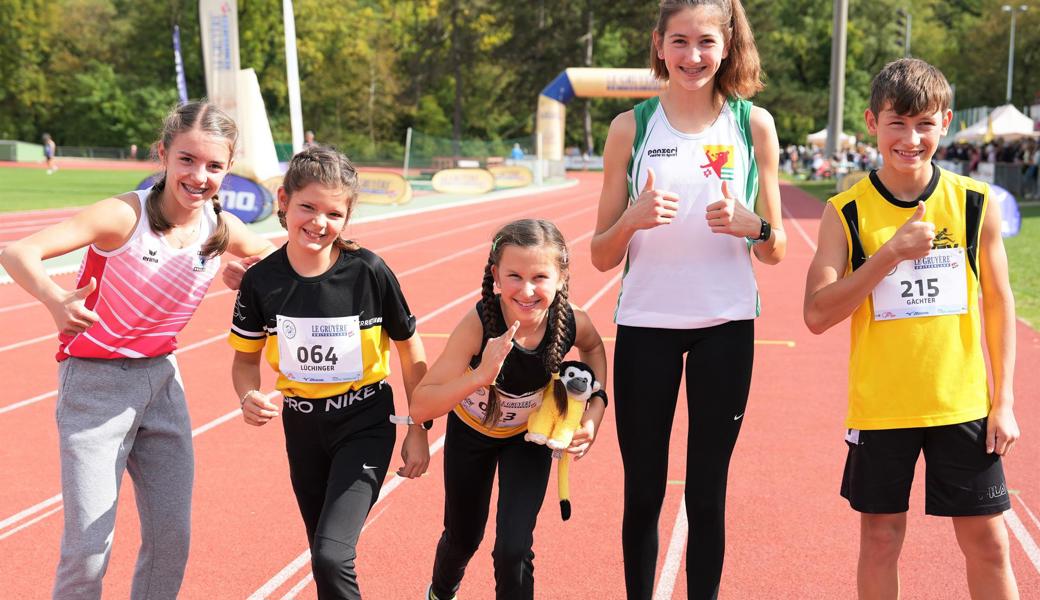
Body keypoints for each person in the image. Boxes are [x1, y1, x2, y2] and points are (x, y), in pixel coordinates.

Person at [0, 101, 275, 600]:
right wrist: (55, 299)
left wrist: (251, 271)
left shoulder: (219, 227)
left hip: (163, 384)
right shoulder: (123, 216)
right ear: (164, 154)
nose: (199, 175)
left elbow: (273, 259)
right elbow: (16, 252)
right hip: (95, 386)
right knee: (88, 550)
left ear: (228, 170)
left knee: (172, 538)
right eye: (187, 159)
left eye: (214, 166)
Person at [590, 1, 786, 598]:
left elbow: (775, 249)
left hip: (725, 328)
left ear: (726, 45)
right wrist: (632, 220)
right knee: (643, 490)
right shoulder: (631, 126)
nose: (692, 56)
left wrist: (754, 227)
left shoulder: (755, 125)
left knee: (706, 492)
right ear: (658, 44)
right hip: (646, 325)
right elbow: (600, 255)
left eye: (705, 42)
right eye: (679, 41)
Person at [803, 58, 1020, 599]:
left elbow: (998, 303)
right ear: (872, 122)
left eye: (924, 123)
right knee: (880, 539)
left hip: (962, 403)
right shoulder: (845, 212)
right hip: (882, 407)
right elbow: (816, 314)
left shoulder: (975, 204)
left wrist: (1005, 400)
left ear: (944, 122)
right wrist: (889, 256)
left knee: (989, 542)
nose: (911, 138)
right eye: (897, 123)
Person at [228, 145, 430, 599]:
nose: (319, 222)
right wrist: (248, 396)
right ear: (283, 201)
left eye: (334, 213)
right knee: (321, 553)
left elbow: (409, 347)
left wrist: (419, 426)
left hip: (364, 423)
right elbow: (244, 360)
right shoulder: (261, 281)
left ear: (348, 215)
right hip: (302, 428)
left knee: (332, 555)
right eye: (308, 207)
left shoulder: (370, 272)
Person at [408, 219, 608, 600]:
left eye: (540, 277)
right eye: (514, 276)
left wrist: (595, 410)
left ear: (562, 277)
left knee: (514, 548)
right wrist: (480, 376)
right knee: (464, 538)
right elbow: (421, 405)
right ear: (496, 274)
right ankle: (440, 592)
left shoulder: (569, 321)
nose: (528, 289)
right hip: (472, 435)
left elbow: (594, 348)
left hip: (527, 439)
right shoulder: (478, 325)